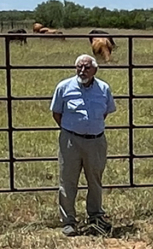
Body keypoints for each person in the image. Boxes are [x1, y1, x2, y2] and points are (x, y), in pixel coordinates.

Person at [49, 52, 116, 235]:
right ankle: (68, 221)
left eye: (87, 67)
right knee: (68, 180)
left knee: (95, 179)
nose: (83, 70)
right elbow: (56, 113)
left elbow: (106, 111)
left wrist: (90, 126)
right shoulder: (63, 87)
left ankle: (95, 216)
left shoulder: (103, 88)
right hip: (71, 140)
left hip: (96, 140)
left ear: (95, 69)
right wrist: (72, 129)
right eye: (80, 66)